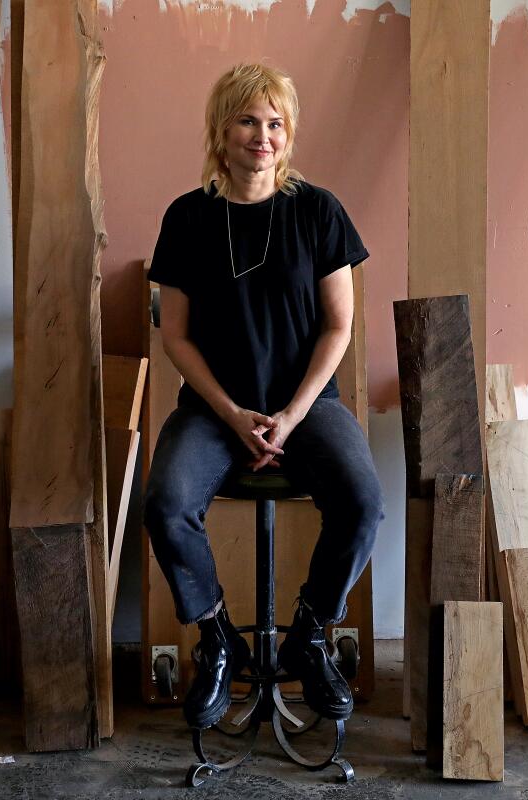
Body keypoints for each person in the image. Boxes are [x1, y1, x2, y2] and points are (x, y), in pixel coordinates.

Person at [143, 63, 384, 730]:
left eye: (276, 122)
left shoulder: (318, 211)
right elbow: (178, 337)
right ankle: (218, 640)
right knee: (165, 504)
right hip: (215, 412)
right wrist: (232, 413)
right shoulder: (188, 218)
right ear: (220, 131)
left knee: (363, 502)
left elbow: (338, 326)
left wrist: (291, 415)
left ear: (290, 132)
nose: (263, 135)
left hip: (306, 407)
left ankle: (308, 636)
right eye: (249, 120)